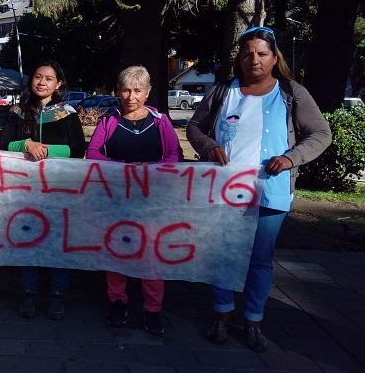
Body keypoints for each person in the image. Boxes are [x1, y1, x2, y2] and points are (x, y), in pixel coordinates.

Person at [187, 26, 331, 352]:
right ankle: (222, 317)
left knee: (260, 260)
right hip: (224, 190)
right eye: (248, 53)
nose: (255, 59)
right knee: (222, 253)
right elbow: (195, 126)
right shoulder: (224, 91)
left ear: (274, 57)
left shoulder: (292, 92)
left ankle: (253, 321)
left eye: (262, 53)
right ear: (239, 58)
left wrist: (292, 158)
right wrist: (207, 145)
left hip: (271, 190)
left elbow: (321, 134)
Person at [85, 66, 183, 334]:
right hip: (116, 200)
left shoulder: (161, 122)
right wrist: (123, 167)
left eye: (137, 90)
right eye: (126, 89)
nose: (131, 96)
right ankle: (118, 302)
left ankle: (153, 309)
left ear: (147, 92)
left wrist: (152, 167)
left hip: (153, 202)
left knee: (151, 256)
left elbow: (175, 156)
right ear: (118, 92)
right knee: (117, 253)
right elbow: (92, 154)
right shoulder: (109, 122)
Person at [0, 59, 86, 319]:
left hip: (60, 189)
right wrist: (26, 144)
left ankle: (58, 295)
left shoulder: (68, 113)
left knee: (58, 242)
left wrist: (45, 150)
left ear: (58, 84)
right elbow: (2, 145)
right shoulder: (17, 112)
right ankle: (29, 293)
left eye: (49, 78)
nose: (42, 82)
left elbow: (78, 149)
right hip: (24, 190)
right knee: (28, 240)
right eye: (38, 76)